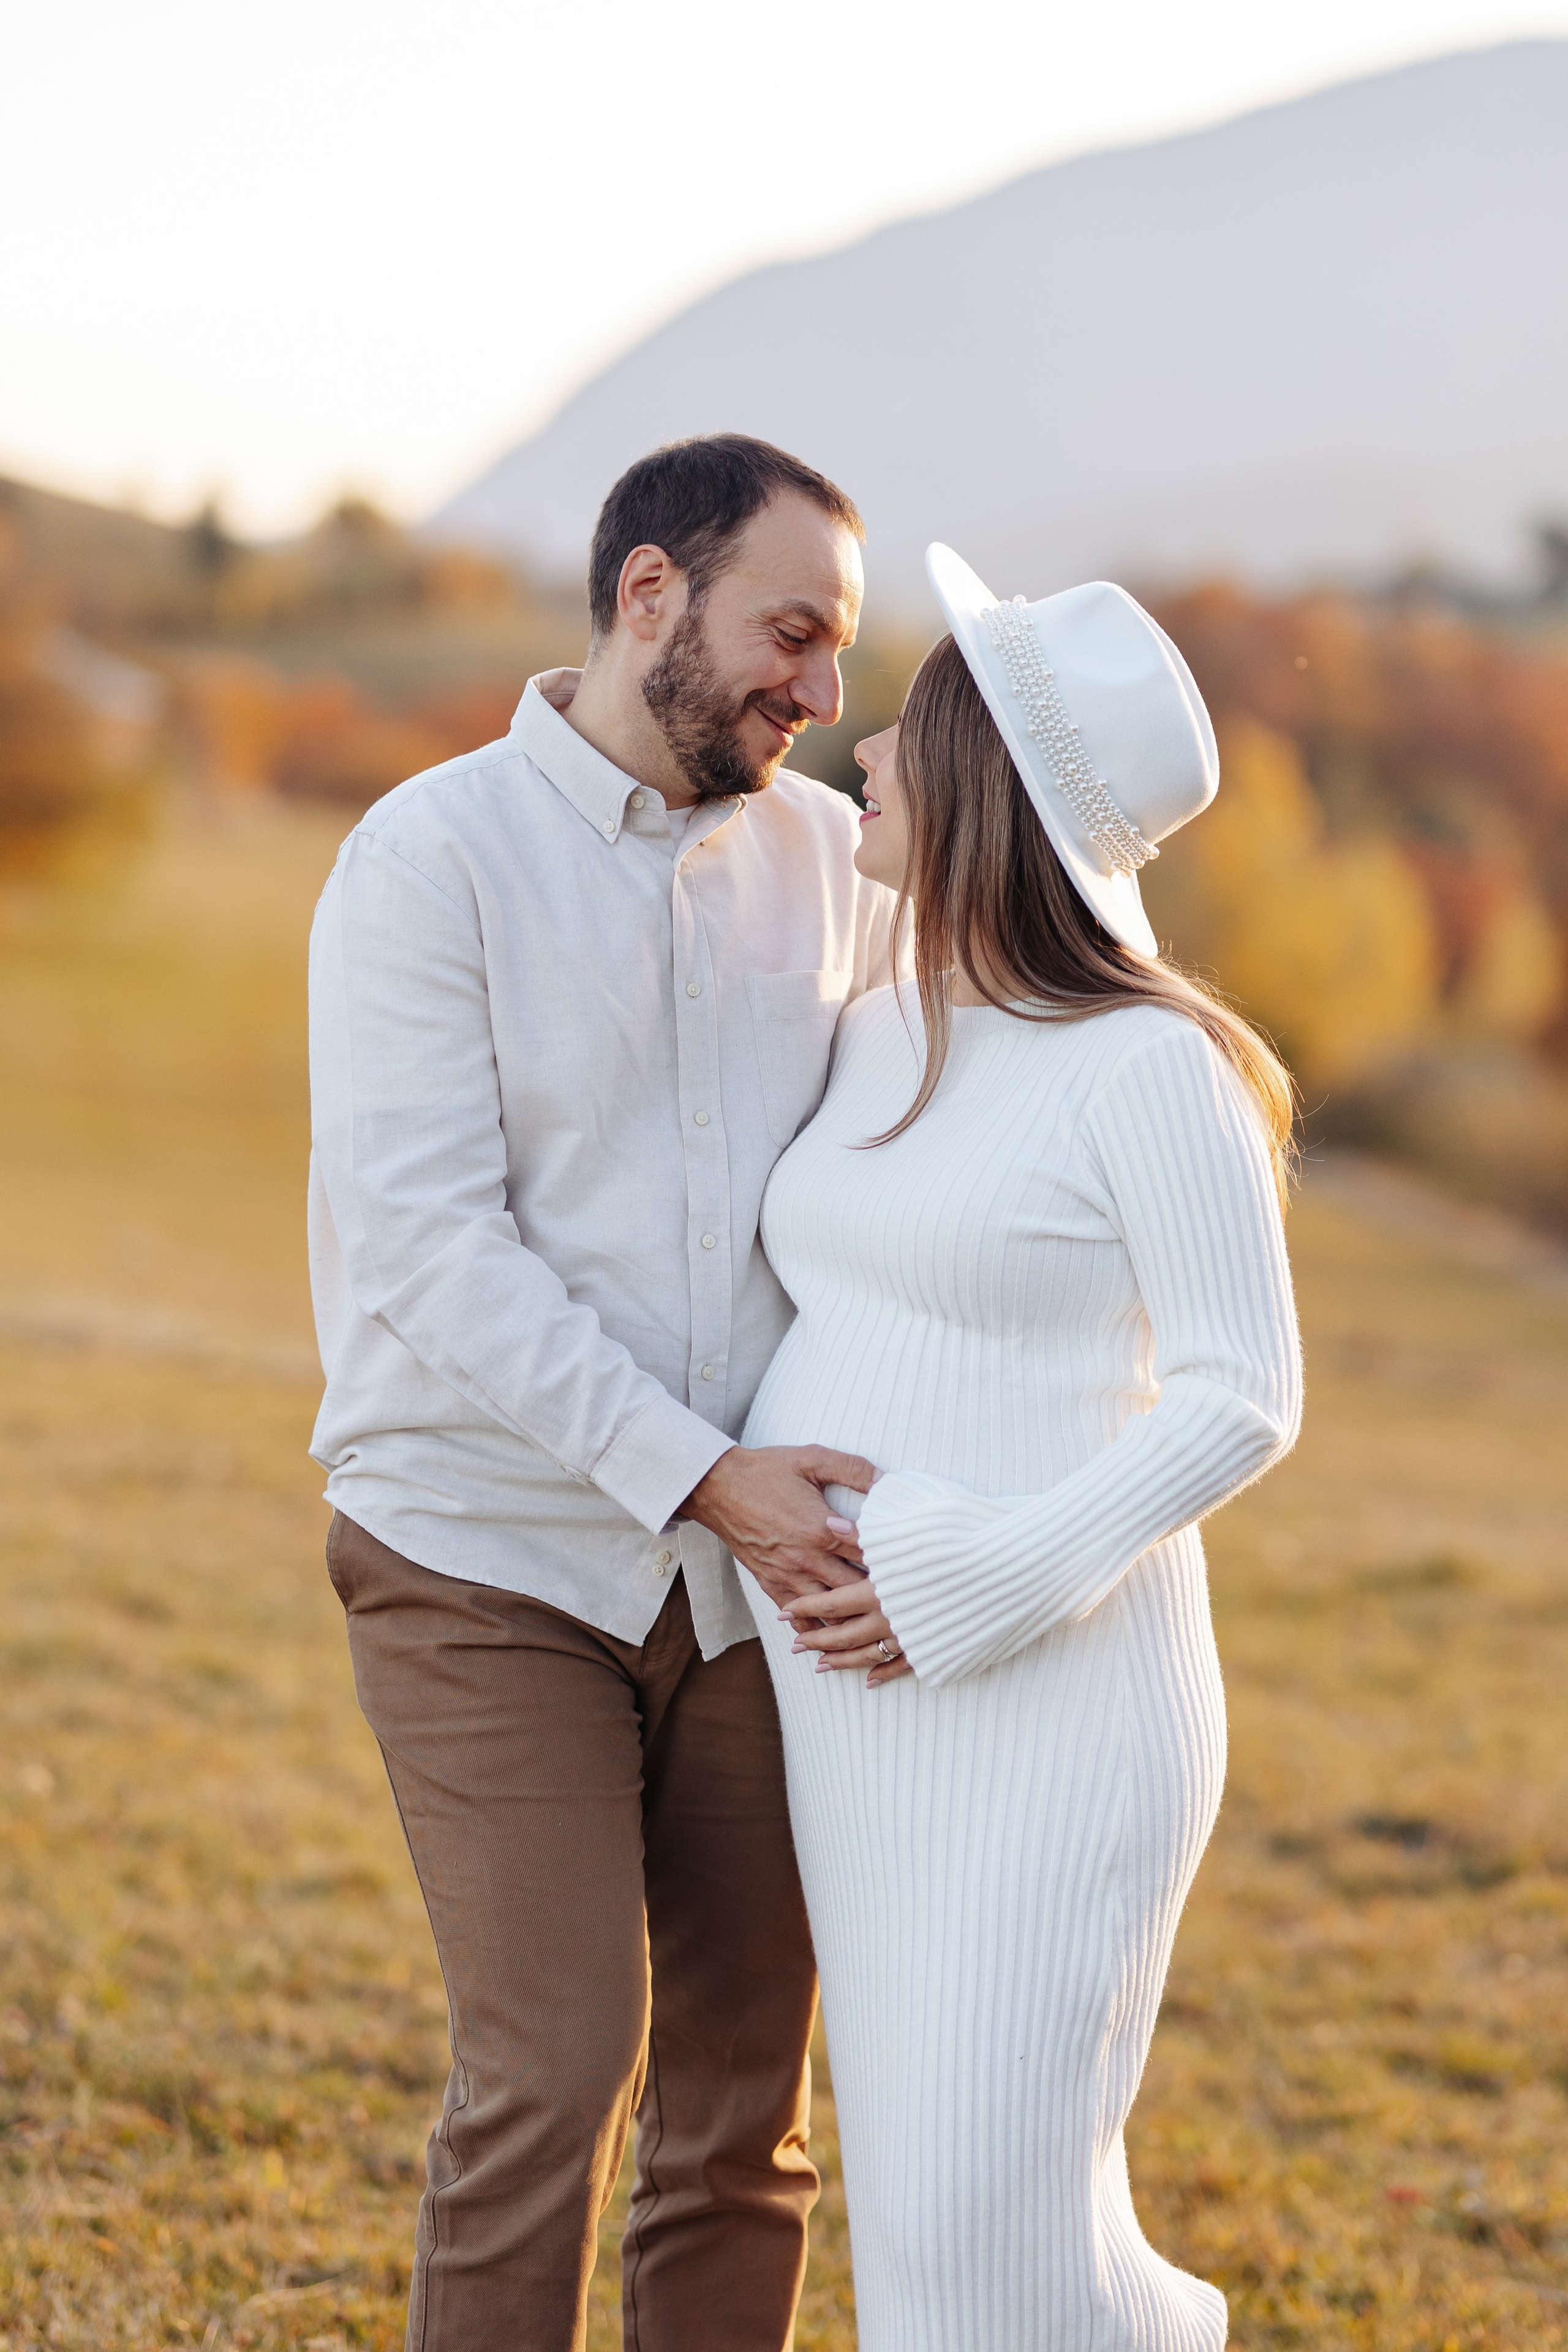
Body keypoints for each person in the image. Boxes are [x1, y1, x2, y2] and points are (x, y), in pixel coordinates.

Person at [306, 434, 900, 2352]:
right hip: (485, 1556)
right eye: (787, 635)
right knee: (553, 2072)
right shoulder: (427, 857)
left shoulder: (833, 862)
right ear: (650, 593)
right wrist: (703, 1471)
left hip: (756, 1595)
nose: (819, 691)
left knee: (745, 2120)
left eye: (839, 650)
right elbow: (429, 1247)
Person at [741, 545, 1304, 2351]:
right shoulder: (879, 1023)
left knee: (994, 2228)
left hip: (1055, 1702)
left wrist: (987, 1570)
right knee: (919, 2223)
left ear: (990, 780)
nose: (869, 744)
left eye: (918, 717)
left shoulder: (1153, 1065)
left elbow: (1244, 1392)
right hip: (863, 1704)